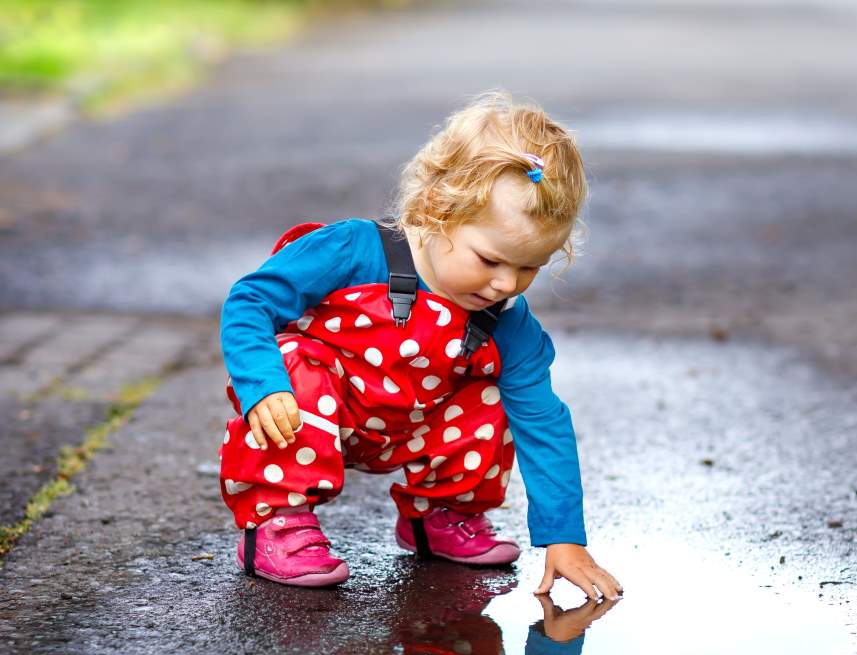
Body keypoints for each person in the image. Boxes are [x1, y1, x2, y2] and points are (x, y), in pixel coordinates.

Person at [215, 90, 621, 602]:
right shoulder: (356, 250)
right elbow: (252, 299)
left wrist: (565, 539)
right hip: (316, 412)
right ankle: (277, 523)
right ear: (436, 210)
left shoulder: (507, 323)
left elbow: (543, 422)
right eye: (491, 260)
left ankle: (441, 515)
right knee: (297, 364)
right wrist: (262, 384)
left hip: (413, 424)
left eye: (528, 268)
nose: (505, 285)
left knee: (494, 398)